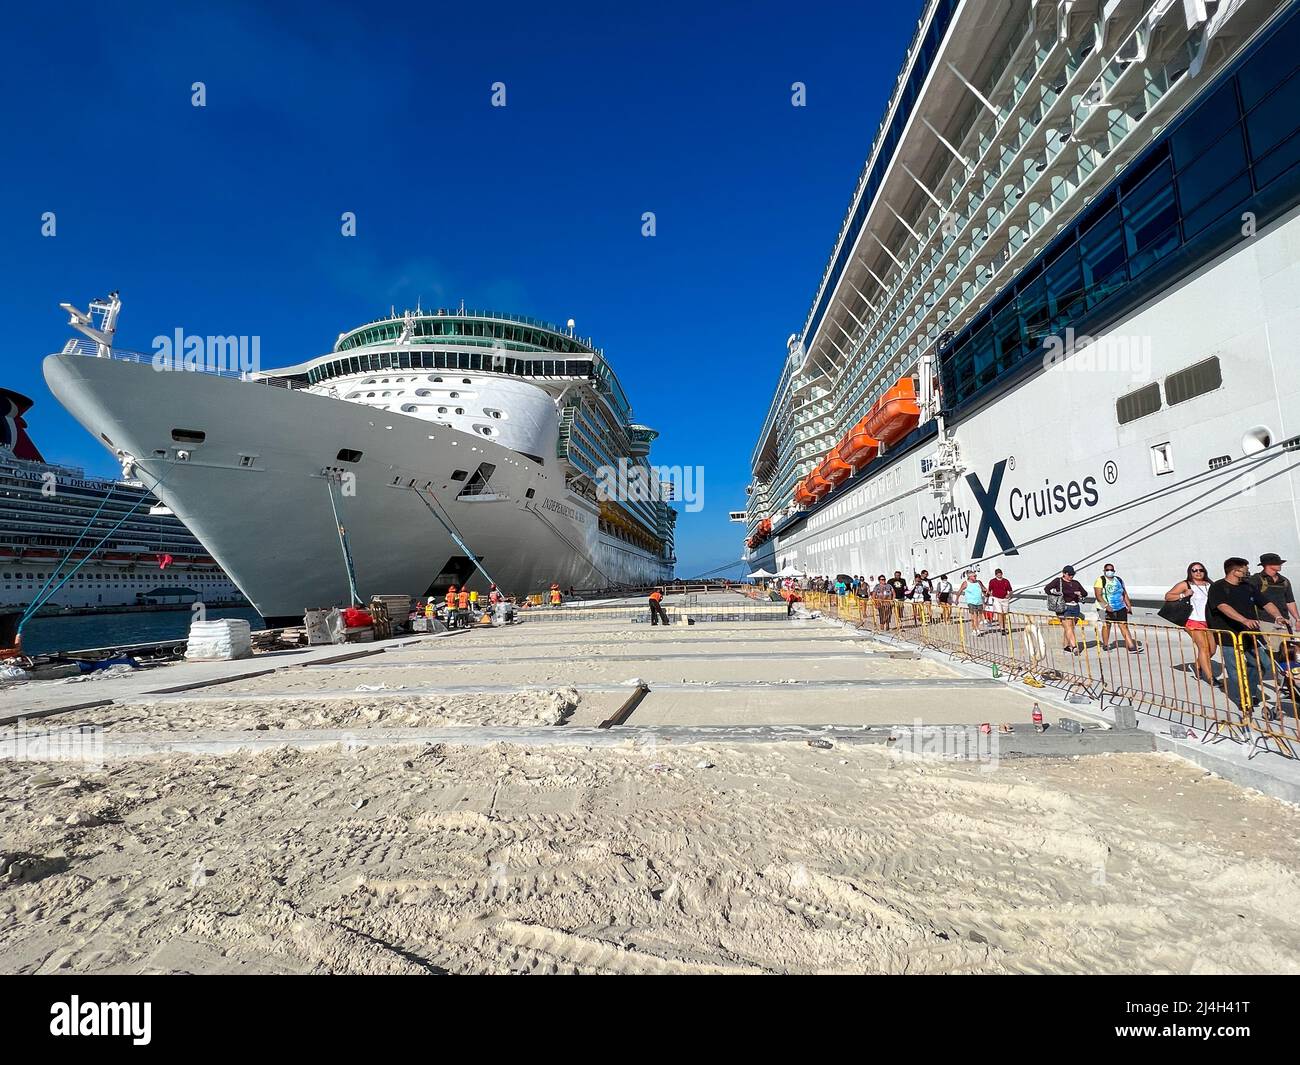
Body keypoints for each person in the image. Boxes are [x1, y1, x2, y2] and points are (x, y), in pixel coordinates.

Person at [1207, 557, 1289, 711]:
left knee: (1262, 664)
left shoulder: (1248, 586)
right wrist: (1244, 620)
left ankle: (1249, 693)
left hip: (1251, 634)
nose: (1247, 572)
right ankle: (1242, 700)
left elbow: (1266, 603)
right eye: (1244, 569)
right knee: (1235, 669)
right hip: (1230, 635)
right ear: (1235, 571)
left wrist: (1278, 616)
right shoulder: (1218, 587)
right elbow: (1222, 606)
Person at [1164, 562, 1217, 685]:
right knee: (1203, 647)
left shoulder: (1210, 585)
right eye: (1194, 570)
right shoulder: (1185, 584)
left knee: (1212, 649)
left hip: (1208, 621)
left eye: (1200, 570)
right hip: (1192, 620)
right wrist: (1183, 594)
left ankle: (1198, 666)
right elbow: (1168, 596)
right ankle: (1210, 677)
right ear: (1190, 572)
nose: (1198, 572)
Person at [1094, 563, 1141, 653]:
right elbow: (1098, 595)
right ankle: (1106, 644)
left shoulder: (1118, 580)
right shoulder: (1100, 580)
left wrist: (1129, 605)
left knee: (1123, 625)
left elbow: (1124, 593)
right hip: (1102, 608)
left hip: (1120, 606)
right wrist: (1106, 606)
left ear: (1114, 571)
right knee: (1106, 625)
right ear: (1104, 571)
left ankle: (1131, 646)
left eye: (1111, 570)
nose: (1109, 571)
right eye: (1107, 570)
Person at [1043, 565, 1088, 654]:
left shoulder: (1076, 583)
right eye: (1069, 574)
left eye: (1073, 574)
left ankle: (1067, 645)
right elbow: (1047, 588)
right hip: (1063, 607)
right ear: (1064, 574)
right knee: (1068, 627)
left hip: (1075, 607)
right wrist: (1054, 596)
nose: (1071, 576)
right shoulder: (1058, 581)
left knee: (1071, 627)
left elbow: (1085, 593)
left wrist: (1079, 593)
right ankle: (1074, 647)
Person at [1253, 553, 1299, 628]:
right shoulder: (1256, 579)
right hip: (1263, 622)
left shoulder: (1284, 581)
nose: (1280, 565)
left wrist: (1297, 619)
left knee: (1285, 639)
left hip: (1284, 622)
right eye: (1277, 563)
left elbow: (1290, 602)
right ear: (1267, 565)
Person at [987, 568, 1012, 633]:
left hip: (1005, 599)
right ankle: (1002, 628)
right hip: (996, 599)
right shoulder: (992, 581)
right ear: (996, 575)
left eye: (1000, 574)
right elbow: (989, 590)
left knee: (1004, 613)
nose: (999, 575)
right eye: (998, 574)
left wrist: (1009, 595)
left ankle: (1004, 625)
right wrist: (991, 595)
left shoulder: (1006, 581)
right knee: (1000, 612)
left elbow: (1010, 590)